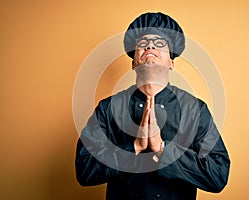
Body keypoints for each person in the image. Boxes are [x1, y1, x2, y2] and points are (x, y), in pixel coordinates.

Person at [75, 12, 230, 200]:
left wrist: (163, 150)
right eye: (142, 43)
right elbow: (84, 169)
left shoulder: (194, 110)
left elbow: (218, 174)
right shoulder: (108, 108)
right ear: (133, 63)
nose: (149, 45)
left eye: (160, 43)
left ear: (171, 63)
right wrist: (134, 146)